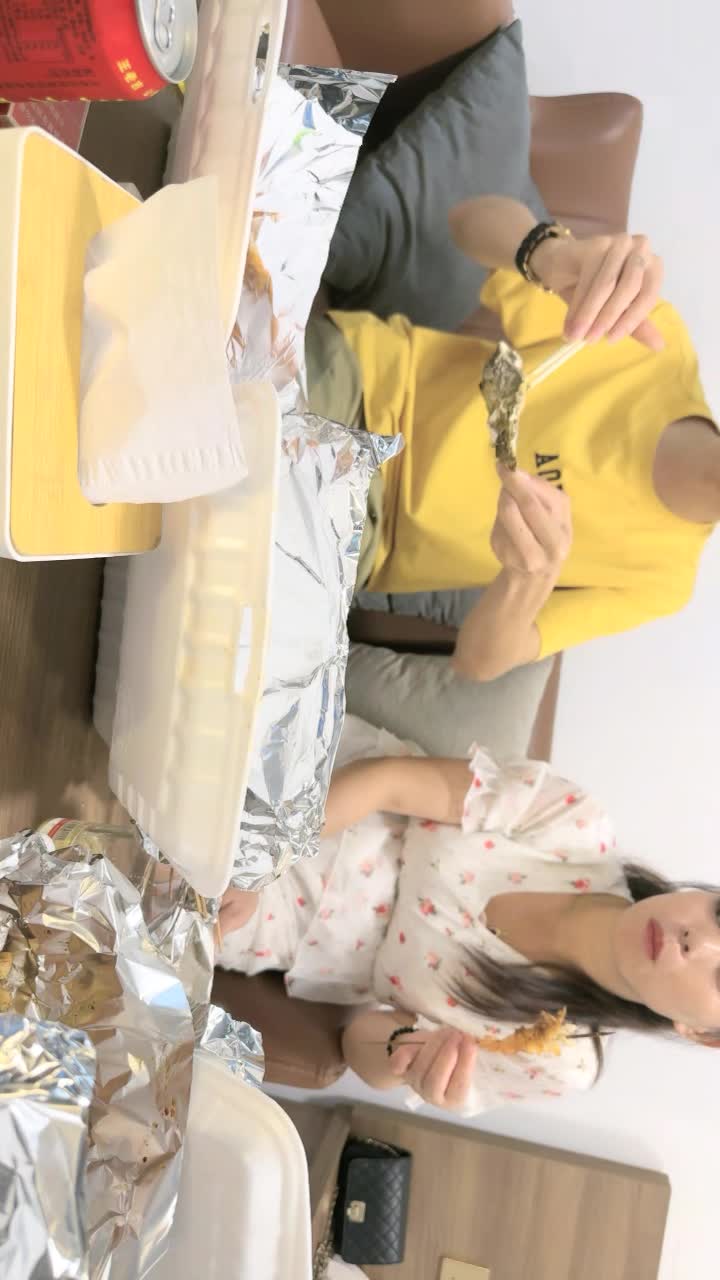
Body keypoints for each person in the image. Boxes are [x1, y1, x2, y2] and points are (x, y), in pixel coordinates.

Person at [305, 193, 719, 682]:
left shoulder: (663, 579)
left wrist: (528, 579)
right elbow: (467, 219)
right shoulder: (653, 341)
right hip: (363, 391)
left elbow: (478, 662)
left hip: (360, 539)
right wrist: (548, 254)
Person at [217, 717, 720, 1116]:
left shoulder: (560, 1059)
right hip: (320, 792)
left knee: (190, 893)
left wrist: (407, 1058)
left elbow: (359, 1042)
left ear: (700, 1032)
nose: (697, 941)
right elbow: (386, 781)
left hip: (292, 927)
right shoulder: (575, 823)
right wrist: (264, 859)